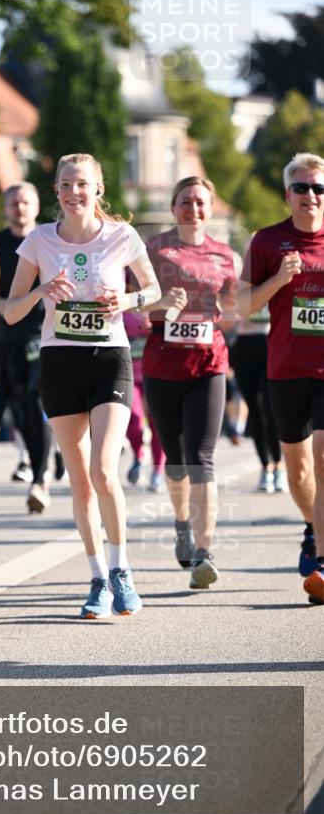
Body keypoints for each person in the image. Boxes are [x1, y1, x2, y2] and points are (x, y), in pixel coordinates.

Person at [5, 153, 160, 618]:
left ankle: (121, 569)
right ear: (56, 191)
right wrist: (40, 293)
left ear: (99, 189)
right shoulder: (39, 241)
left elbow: (152, 292)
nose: (75, 193)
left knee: (104, 471)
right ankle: (95, 579)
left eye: (84, 184)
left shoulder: (122, 237)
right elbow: (10, 311)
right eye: (67, 185)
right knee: (79, 480)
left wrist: (127, 299)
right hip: (59, 362)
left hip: (108, 359)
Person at [141, 176, 237, 589]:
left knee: (202, 458)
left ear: (210, 208)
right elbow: (135, 302)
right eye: (185, 201)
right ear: (173, 206)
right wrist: (162, 303)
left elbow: (235, 309)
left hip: (208, 362)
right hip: (162, 364)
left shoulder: (225, 255)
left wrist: (228, 310)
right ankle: (182, 523)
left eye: (200, 202)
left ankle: (204, 551)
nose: (192, 209)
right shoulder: (154, 249)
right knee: (176, 460)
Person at [238, 153, 324, 605]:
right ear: (287, 194)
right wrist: (277, 280)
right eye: (303, 188)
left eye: (319, 189)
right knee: (299, 471)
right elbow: (243, 306)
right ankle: (313, 527)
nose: (311, 196)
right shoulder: (268, 241)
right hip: (287, 369)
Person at [0, 183, 54, 513]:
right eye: (14, 202)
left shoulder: (50, 240)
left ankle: (40, 479)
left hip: (44, 337)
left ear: (37, 205)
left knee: (36, 400)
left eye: (26, 202)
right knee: (21, 410)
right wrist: (7, 308)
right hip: (9, 338)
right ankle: (39, 459)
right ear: (6, 207)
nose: (20, 207)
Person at [229, 302, 285, 492]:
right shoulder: (238, 275)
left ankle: (278, 465)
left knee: (271, 409)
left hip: (271, 342)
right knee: (254, 409)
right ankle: (265, 467)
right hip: (244, 347)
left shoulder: (277, 275)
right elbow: (227, 319)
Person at [123, 309, 165, 492]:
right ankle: (139, 454)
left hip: (156, 372)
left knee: (158, 423)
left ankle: (158, 471)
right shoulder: (122, 298)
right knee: (133, 418)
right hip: (128, 374)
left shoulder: (161, 299)